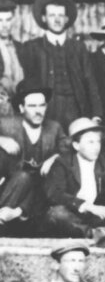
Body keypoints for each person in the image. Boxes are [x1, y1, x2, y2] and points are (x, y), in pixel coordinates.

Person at [19, 0, 101, 129]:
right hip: (47, 110)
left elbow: (90, 81)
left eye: (61, 15)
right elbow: (26, 83)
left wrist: (97, 114)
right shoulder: (32, 47)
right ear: (44, 18)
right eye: (52, 15)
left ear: (67, 19)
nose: (57, 20)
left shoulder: (78, 47)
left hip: (76, 108)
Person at [0, 84, 71, 228]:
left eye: (42, 105)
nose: (38, 111)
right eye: (32, 106)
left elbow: (69, 150)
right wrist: (1, 139)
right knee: (23, 177)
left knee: (43, 184)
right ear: (21, 108)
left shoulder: (54, 127)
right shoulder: (6, 125)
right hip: (12, 187)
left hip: (40, 194)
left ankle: (12, 215)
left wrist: (54, 158)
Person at [0, 0, 25, 114]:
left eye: (8, 19)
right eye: (0, 20)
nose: (5, 25)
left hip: (20, 108)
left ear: (13, 20)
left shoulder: (20, 47)